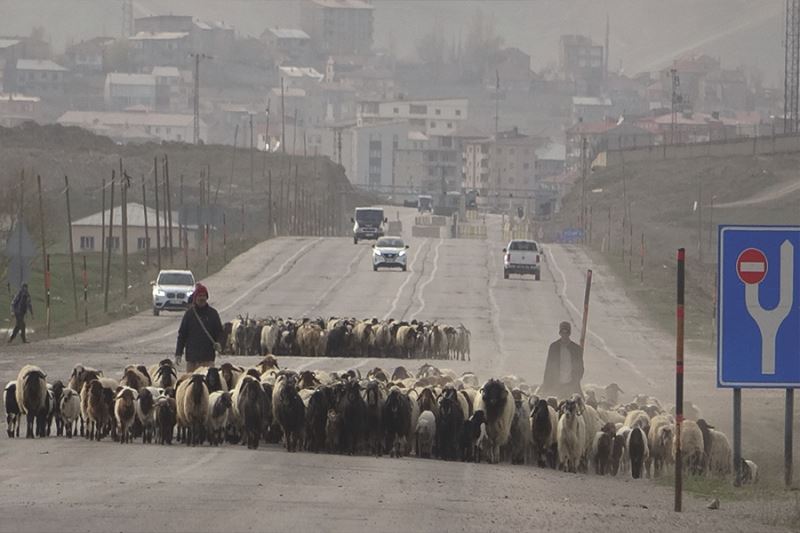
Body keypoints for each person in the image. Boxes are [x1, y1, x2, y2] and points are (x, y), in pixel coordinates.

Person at [175, 283, 224, 373]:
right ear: (195, 298)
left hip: (208, 359)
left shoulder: (213, 314)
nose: (202, 298)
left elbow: (220, 332)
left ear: (207, 297)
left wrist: (219, 343)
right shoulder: (189, 314)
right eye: (199, 296)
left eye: (204, 296)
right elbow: (182, 334)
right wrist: (178, 353)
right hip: (192, 360)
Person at [537, 321, 584, 399]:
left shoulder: (576, 349)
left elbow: (580, 368)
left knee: (579, 406)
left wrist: (575, 381)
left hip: (571, 386)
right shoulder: (554, 347)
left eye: (566, 332)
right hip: (555, 385)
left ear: (569, 333)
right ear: (560, 333)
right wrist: (546, 384)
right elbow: (548, 367)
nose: (564, 335)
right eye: (562, 332)